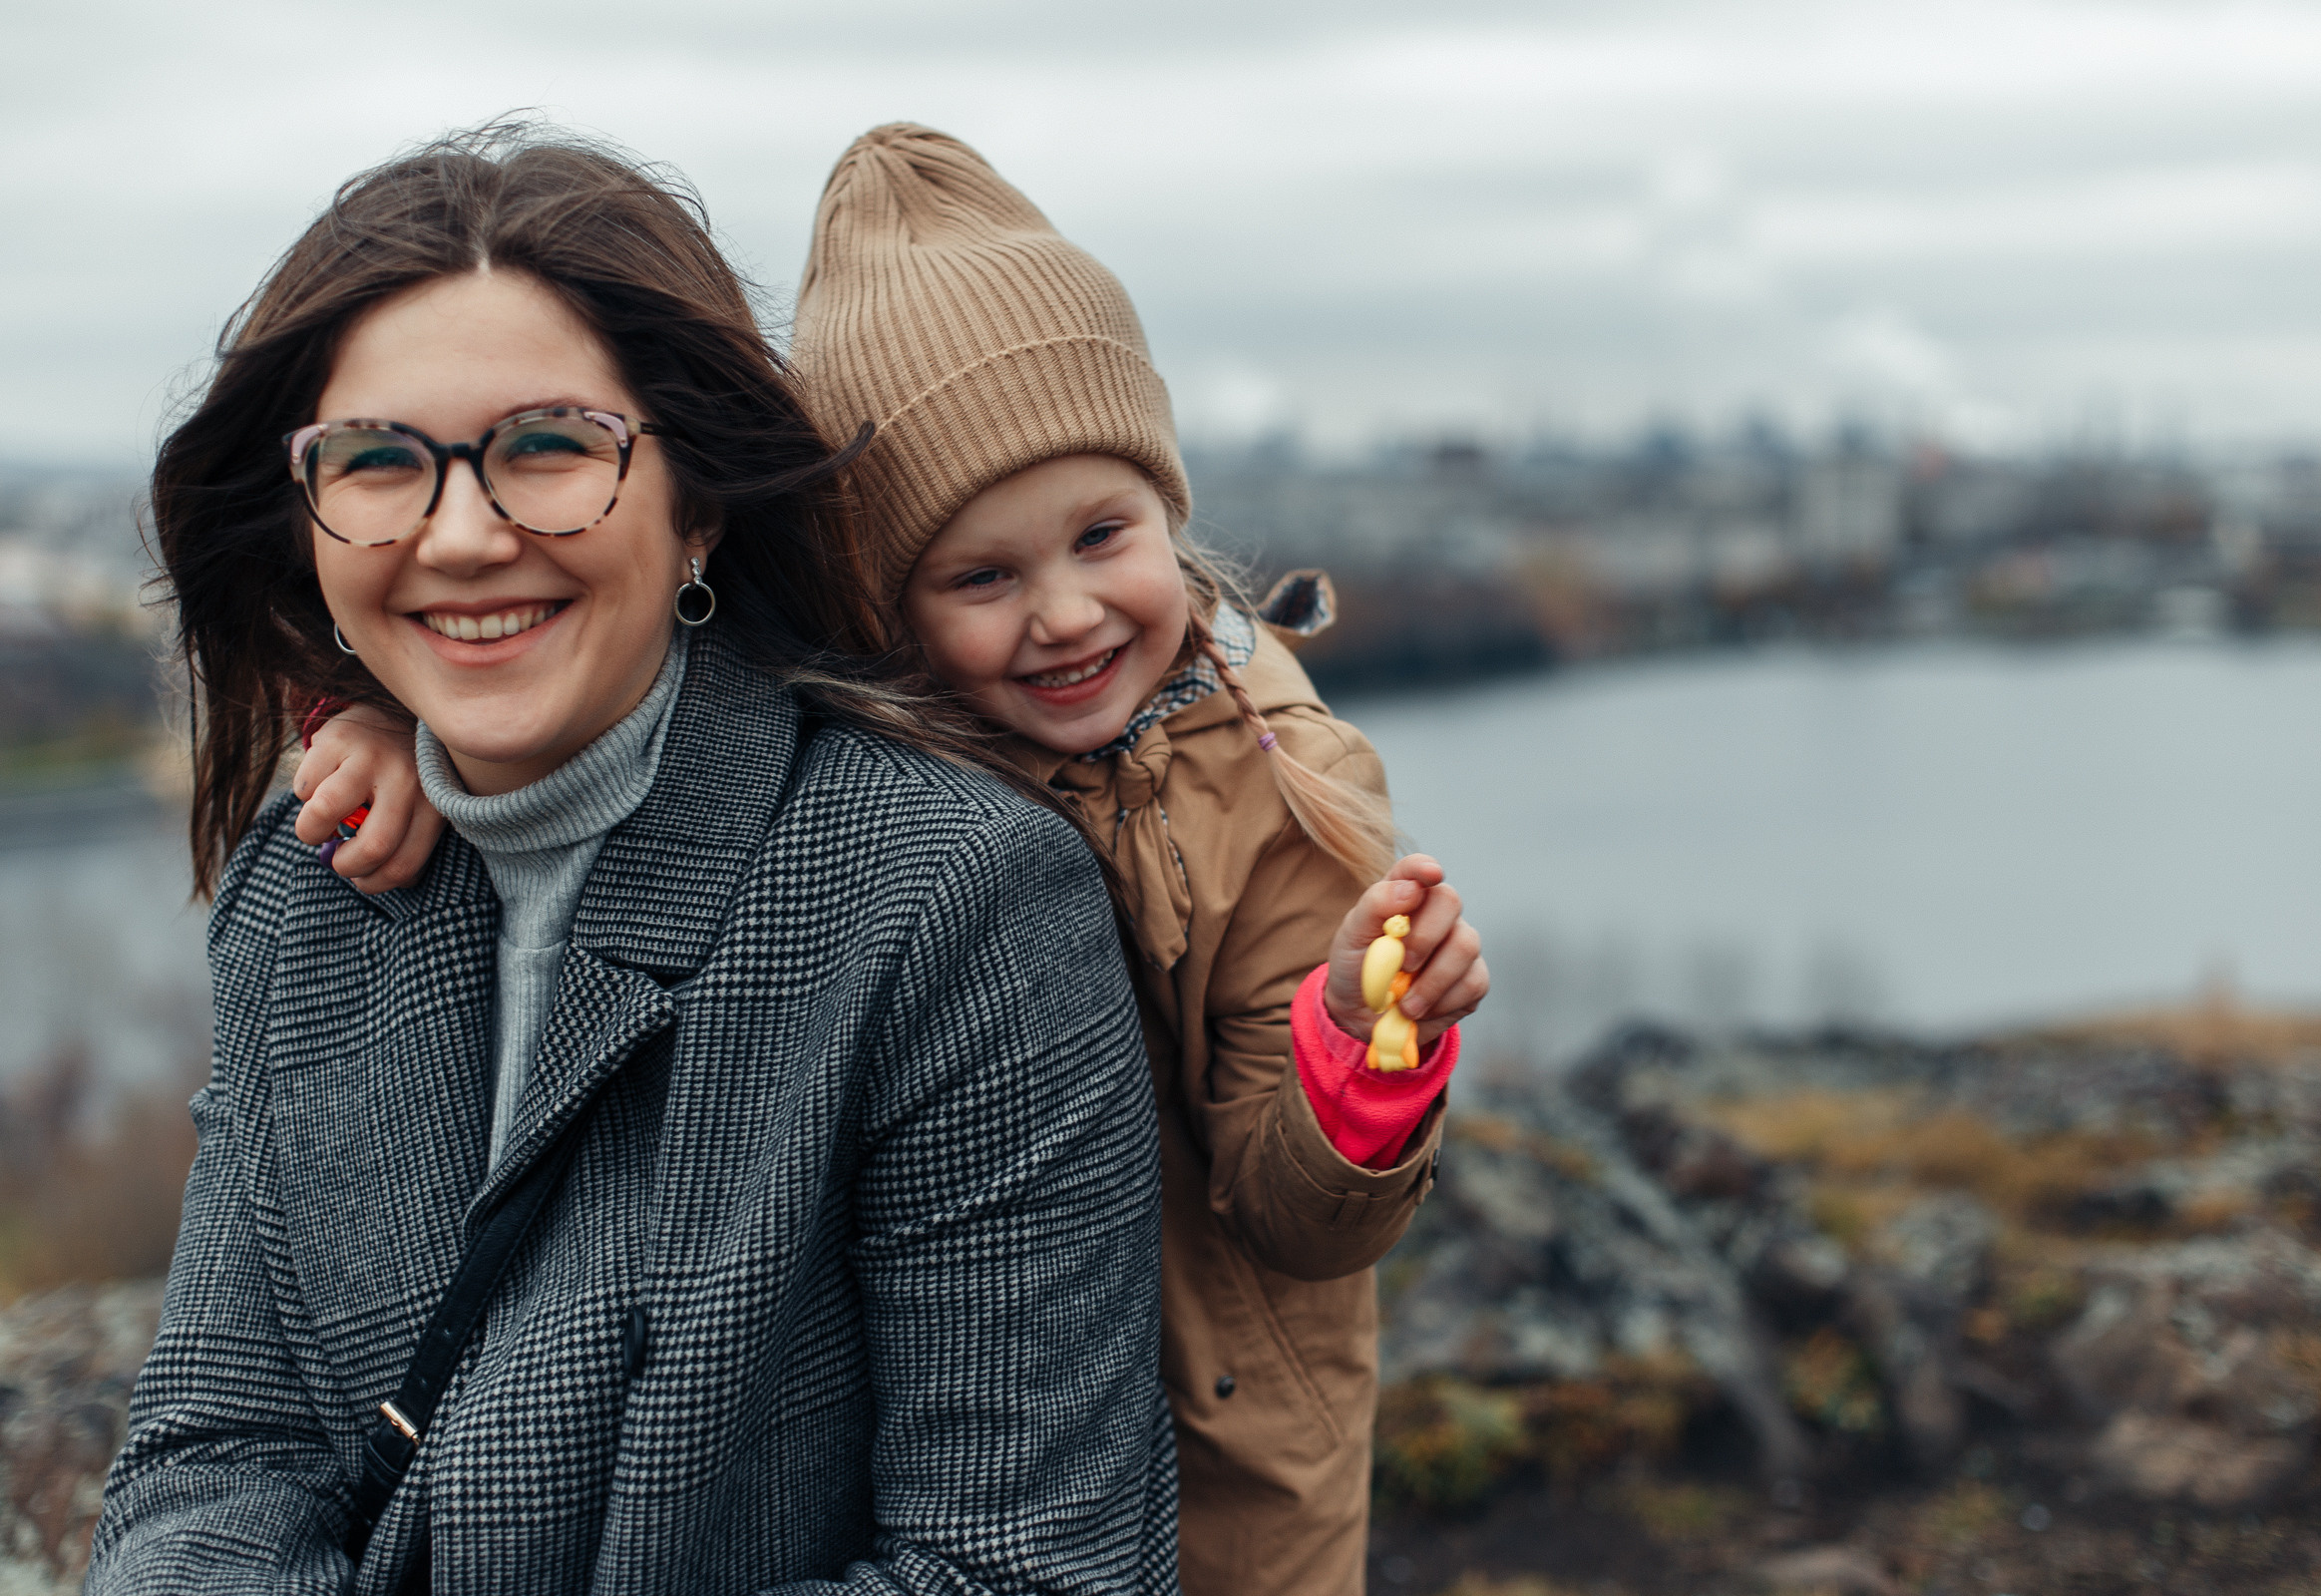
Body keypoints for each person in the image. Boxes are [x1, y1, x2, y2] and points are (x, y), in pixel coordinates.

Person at [310, 124, 1492, 1594]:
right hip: (925, 1424)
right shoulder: (842, 759)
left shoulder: (1279, 794)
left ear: (1169, 514)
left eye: (1103, 534)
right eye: (981, 576)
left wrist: (1359, 1061)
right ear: (879, 603)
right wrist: (389, 725)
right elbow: (590, 663)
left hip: (1220, 1462)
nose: (1064, 615)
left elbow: (1301, 1225)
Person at [88, 127, 1178, 1596]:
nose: (461, 537)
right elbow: (215, 1457)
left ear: (699, 503)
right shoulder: (310, 888)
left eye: (547, 448)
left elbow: (1027, 1571)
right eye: (379, 463)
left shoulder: (948, 899)